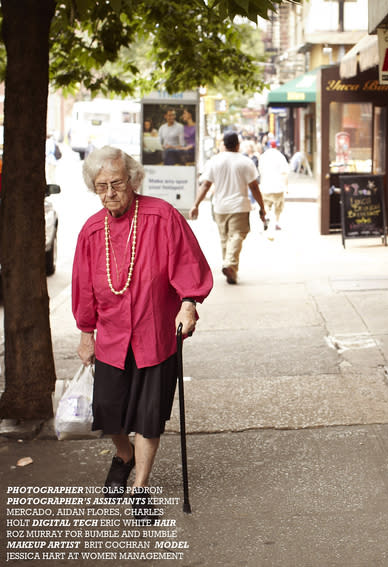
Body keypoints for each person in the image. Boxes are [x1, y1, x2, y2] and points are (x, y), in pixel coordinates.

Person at [72, 146, 213, 524]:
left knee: (149, 416)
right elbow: (84, 287)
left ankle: (139, 486)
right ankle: (124, 455)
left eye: (117, 183)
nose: (109, 193)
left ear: (132, 180)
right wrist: (87, 333)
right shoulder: (90, 231)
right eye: (101, 186)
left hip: (155, 335)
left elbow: (188, 263)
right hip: (113, 339)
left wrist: (188, 303)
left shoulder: (161, 216)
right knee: (107, 411)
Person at [190, 131, 266, 284]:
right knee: (238, 234)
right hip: (239, 206)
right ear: (238, 145)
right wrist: (262, 207)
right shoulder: (245, 162)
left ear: (224, 145)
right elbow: (254, 187)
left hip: (220, 207)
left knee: (225, 239)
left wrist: (196, 204)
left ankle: (231, 271)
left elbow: (205, 185)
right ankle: (229, 264)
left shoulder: (214, 161)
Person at [257, 139, 290, 231]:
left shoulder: (263, 156)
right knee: (278, 206)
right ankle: (277, 222)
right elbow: (284, 173)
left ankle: (267, 216)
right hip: (278, 186)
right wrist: (286, 187)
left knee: (266, 204)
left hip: (265, 186)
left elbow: (260, 171)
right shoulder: (280, 156)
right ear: (276, 146)